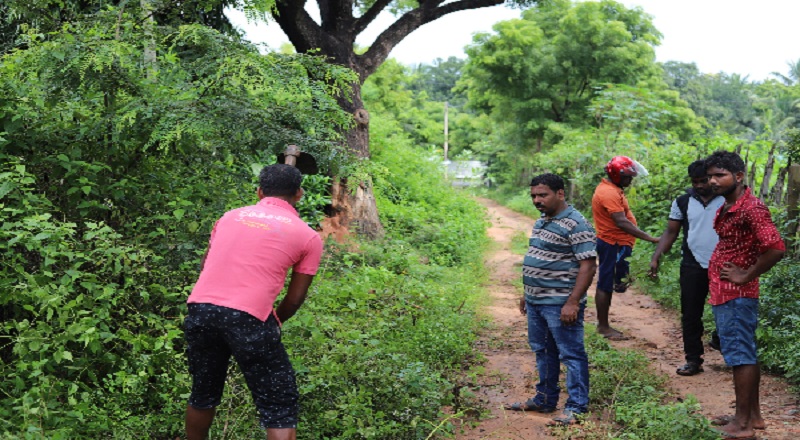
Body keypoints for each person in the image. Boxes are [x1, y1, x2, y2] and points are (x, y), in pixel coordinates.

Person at [183, 164, 323, 440]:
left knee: (203, 393)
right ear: (299, 194)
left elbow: (206, 266)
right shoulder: (308, 236)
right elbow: (294, 299)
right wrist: (274, 322)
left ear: (259, 191)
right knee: (279, 406)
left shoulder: (229, 217)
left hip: (200, 309)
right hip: (249, 317)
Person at [504, 173, 597, 426]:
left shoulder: (577, 224)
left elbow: (588, 265)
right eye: (534, 195)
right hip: (537, 301)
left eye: (542, 195)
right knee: (543, 351)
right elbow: (539, 256)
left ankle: (576, 407)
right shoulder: (542, 221)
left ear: (560, 193)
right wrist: (528, 292)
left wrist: (573, 302)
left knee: (571, 354)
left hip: (560, 302)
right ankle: (544, 399)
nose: (537, 200)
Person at [705, 151, 784, 439]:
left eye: (720, 175)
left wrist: (745, 274)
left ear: (738, 177)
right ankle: (753, 415)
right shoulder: (729, 206)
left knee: (741, 356)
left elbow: (775, 247)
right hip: (725, 291)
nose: (713, 181)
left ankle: (742, 424)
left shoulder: (752, 208)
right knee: (743, 352)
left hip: (737, 293)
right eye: (710, 176)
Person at [648, 160, 724, 376]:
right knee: (690, 314)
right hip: (692, 264)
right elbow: (671, 232)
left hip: (725, 264)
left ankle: (721, 341)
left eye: (703, 181)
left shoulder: (727, 200)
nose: (700, 186)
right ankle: (693, 360)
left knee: (724, 308)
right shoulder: (682, 202)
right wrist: (656, 257)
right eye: (695, 182)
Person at [591, 156, 659, 340]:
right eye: (628, 177)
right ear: (617, 175)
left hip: (619, 244)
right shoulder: (609, 193)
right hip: (612, 243)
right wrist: (650, 238)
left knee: (619, 282)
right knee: (605, 283)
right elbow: (621, 222)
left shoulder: (614, 189)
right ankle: (603, 327)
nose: (631, 180)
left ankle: (605, 319)